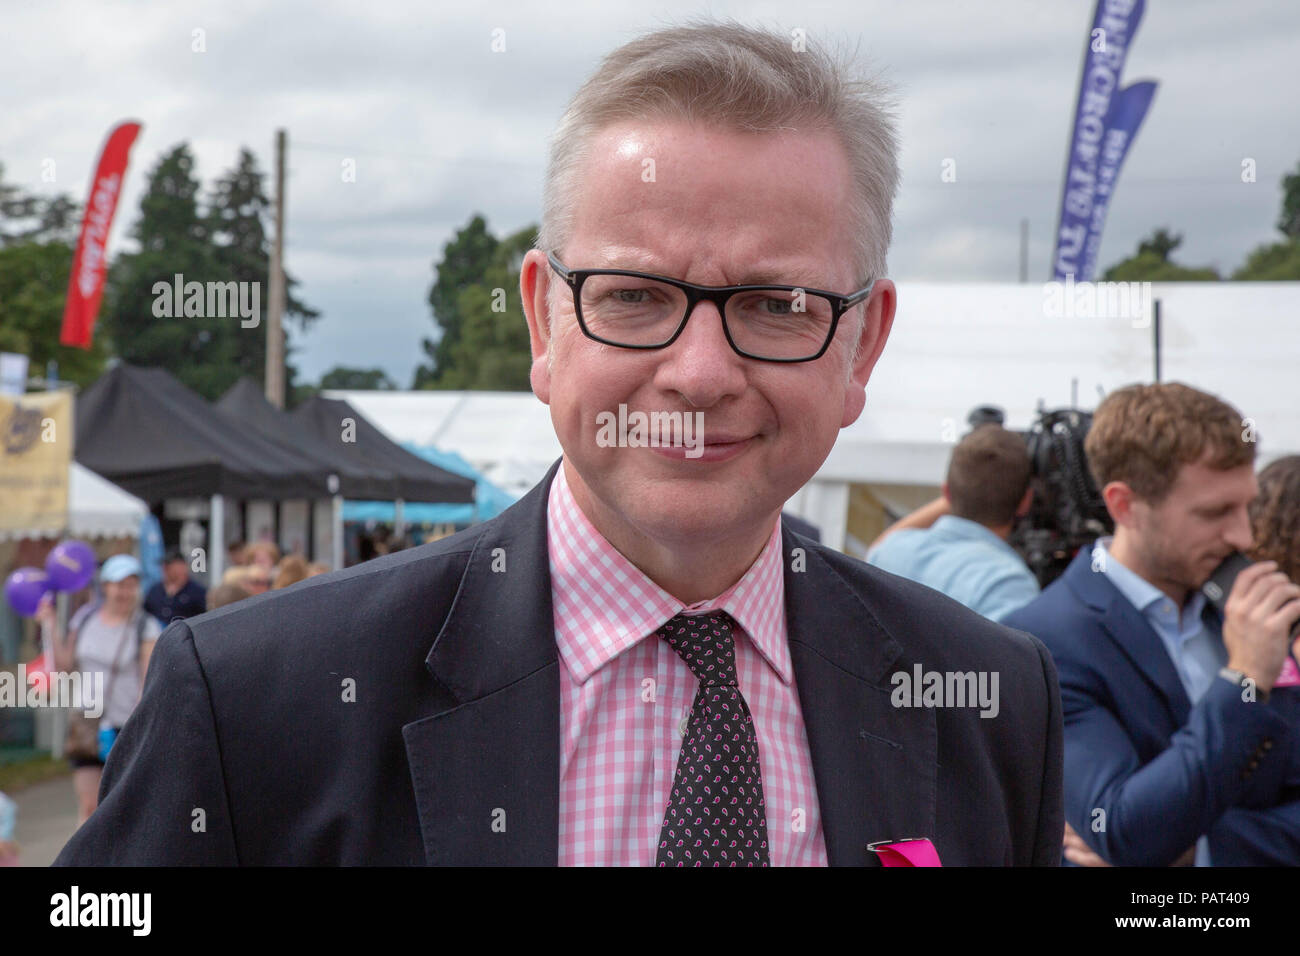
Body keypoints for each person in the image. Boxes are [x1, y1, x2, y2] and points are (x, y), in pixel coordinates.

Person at [56, 22, 1061, 866]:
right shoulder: (254, 702)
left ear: (861, 343)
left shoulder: (990, 699)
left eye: (776, 303)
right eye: (634, 296)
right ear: (544, 322)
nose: (700, 370)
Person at [1004, 383, 1300, 866]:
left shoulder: (1241, 605)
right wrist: (1243, 679)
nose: (1244, 534)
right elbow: (1124, 829)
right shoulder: (1041, 642)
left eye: (1246, 505)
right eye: (1214, 513)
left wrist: (1202, 850)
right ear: (1124, 505)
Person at [865, 424, 1039, 622]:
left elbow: (880, 545)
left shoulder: (891, 549)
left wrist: (965, 485)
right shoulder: (1007, 583)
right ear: (1025, 501)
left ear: (946, 492)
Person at [40, 554, 161, 825]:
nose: (124, 592)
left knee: (122, 807)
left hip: (124, 726)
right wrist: (49, 624)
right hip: (87, 723)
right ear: (105, 586)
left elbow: (148, 679)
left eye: (131, 585)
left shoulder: (146, 626)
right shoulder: (85, 619)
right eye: (119, 584)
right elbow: (64, 666)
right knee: (89, 806)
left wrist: (140, 725)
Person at [142, 549, 207, 626]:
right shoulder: (154, 590)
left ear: (182, 566)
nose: (165, 569)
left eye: (169, 566)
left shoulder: (197, 592)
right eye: (164, 566)